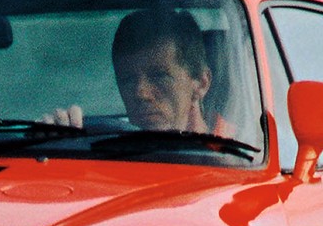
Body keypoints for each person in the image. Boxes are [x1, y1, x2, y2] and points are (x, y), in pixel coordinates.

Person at [42, 8, 220, 134]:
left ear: (201, 83)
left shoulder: (239, 153)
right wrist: (57, 143)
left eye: (159, 76)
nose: (140, 93)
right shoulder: (107, 148)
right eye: (127, 80)